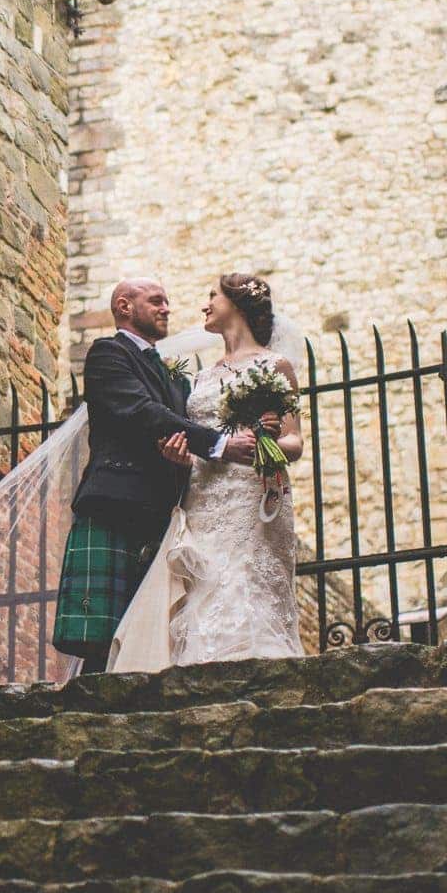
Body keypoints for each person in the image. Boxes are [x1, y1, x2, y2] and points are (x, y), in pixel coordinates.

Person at [49, 279, 261, 674]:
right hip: (116, 503)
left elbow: (175, 430)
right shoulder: (107, 353)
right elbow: (141, 411)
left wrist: (183, 460)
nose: (167, 308)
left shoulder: (177, 379)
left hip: (162, 510)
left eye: (167, 301)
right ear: (125, 306)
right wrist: (219, 444)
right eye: (156, 301)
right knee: (100, 634)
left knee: (147, 634)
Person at [105, 273, 307, 672]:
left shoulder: (276, 366)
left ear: (237, 304)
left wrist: (262, 446)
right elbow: (196, 442)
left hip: (250, 495)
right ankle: (199, 669)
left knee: (245, 582)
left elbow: (294, 443)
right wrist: (181, 458)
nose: (205, 304)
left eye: (212, 296)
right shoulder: (199, 378)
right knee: (206, 586)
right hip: (202, 498)